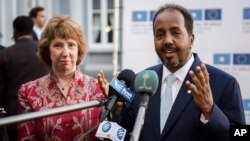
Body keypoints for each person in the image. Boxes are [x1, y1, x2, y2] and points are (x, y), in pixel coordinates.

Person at [98, 3, 246, 141]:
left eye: (176, 33)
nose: (167, 40)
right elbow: (125, 134)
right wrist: (117, 112)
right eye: (160, 34)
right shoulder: (142, 81)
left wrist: (210, 111)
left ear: (191, 39)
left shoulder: (224, 83)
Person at [18, 15, 106, 141]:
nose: (65, 53)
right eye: (58, 45)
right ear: (48, 50)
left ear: (78, 49)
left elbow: (107, 135)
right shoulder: (28, 92)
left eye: (71, 45)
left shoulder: (98, 88)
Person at [0, 16, 49, 141]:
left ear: (15, 31)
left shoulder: (5, 54)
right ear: (32, 29)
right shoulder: (45, 51)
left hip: (13, 116)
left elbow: (0, 88)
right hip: (43, 111)